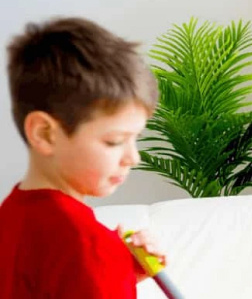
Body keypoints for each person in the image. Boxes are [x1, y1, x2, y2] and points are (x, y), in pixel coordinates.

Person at [0, 17, 167, 298]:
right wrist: (107, 267)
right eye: (115, 140)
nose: (133, 158)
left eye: (134, 139)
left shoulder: (11, 216)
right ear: (44, 134)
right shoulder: (88, 246)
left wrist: (121, 274)